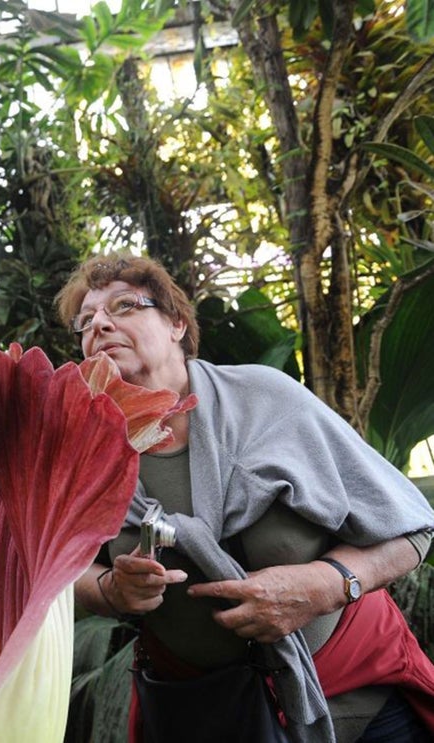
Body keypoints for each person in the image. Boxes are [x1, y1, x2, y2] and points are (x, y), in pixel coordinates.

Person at [59, 253, 434, 743]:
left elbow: (412, 527)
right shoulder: (83, 449)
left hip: (361, 700)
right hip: (208, 716)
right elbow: (61, 570)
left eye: (124, 306)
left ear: (176, 324)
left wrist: (328, 584)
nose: (100, 324)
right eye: (85, 322)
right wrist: (110, 590)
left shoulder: (266, 399)